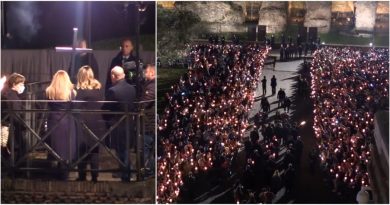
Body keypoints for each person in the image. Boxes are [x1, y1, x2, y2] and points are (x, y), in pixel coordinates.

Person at [103, 66, 136, 182]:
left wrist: (106, 119)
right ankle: (127, 171)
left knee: (121, 151)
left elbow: (106, 109)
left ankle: (126, 173)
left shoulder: (113, 91)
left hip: (117, 124)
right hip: (129, 124)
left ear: (113, 76)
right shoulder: (132, 89)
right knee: (125, 149)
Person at [74, 66, 104, 182]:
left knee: (82, 151)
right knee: (95, 151)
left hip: (83, 122)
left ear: (80, 76)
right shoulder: (98, 89)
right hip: (97, 122)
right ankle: (95, 176)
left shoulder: (80, 91)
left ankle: (82, 176)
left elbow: (76, 107)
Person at [46, 70, 77, 180]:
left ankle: (57, 169)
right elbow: (73, 107)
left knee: (56, 145)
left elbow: (49, 106)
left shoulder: (49, 91)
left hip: (54, 120)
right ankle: (65, 170)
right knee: (67, 146)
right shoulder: (71, 92)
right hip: (67, 120)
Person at [1, 73, 26, 162]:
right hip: (12, 127)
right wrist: (23, 125)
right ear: (14, 85)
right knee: (16, 148)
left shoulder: (8, 94)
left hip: (11, 125)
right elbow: (15, 113)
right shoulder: (11, 96)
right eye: (21, 84)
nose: (23, 86)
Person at [141, 64, 155, 177]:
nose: (144, 74)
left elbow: (144, 103)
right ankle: (148, 170)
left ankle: (148, 171)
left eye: (146, 72)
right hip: (148, 122)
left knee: (146, 149)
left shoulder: (151, 87)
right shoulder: (149, 85)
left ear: (152, 73)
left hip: (149, 123)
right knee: (147, 149)